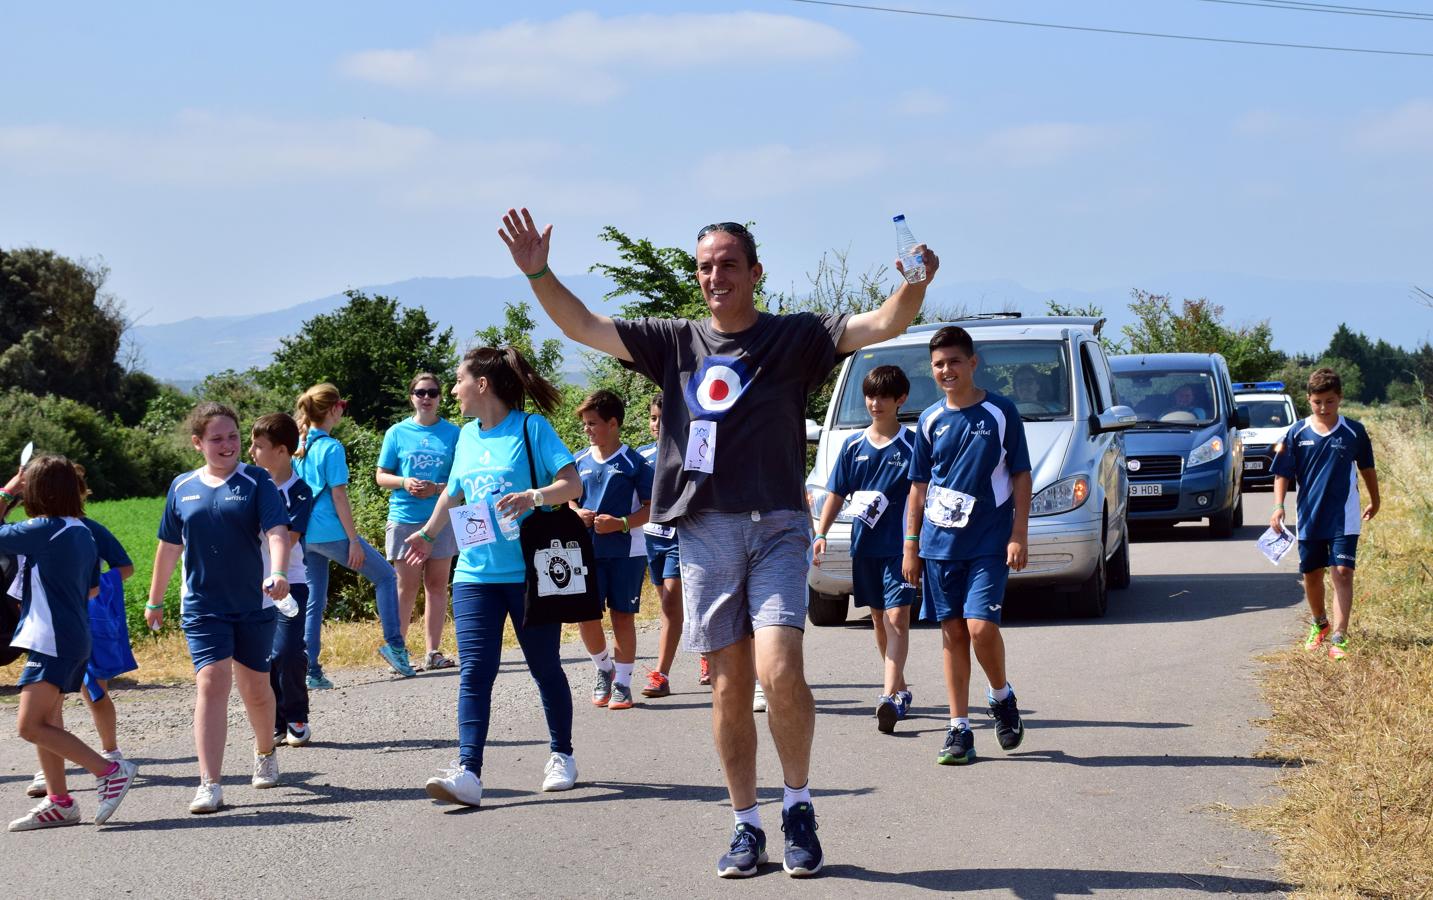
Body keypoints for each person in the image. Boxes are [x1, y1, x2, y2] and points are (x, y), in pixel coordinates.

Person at [499, 208, 937, 878]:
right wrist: (537, 270)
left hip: (778, 525)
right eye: (705, 265)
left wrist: (912, 283)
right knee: (729, 685)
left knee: (780, 669)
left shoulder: (795, 337)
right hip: (703, 530)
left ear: (755, 272)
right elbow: (580, 325)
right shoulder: (673, 342)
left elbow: (883, 323)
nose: (715, 275)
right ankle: (745, 825)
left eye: (728, 263)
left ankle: (796, 805)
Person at [403, 346, 584, 808]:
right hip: (474, 573)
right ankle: (468, 772)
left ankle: (561, 754)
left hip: (528, 574)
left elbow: (573, 484)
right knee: (475, 674)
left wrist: (535, 496)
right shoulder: (465, 436)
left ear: (481, 385)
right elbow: (454, 493)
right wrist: (427, 534)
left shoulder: (530, 428)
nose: (454, 390)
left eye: (459, 381)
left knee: (545, 668)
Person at [147, 402, 293, 813]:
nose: (227, 445)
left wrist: (278, 572)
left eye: (232, 436)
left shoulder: (256, 480)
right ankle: (209, 783)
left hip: (253, 602)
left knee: (257, 690)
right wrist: (154, 599)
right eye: (216, 438)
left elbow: (277, 532)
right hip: (202, 605)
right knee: (211, 683)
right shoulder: (182, 487)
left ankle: (265, 752)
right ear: (198, 443)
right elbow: (169, 546)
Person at [903, 326, 1032, 767]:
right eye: (939, 364)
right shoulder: (929, 420)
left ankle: (1001, 695)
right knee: (953, 633)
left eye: (954, 361)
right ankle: (959, 727)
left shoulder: (1000, 412)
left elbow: (1020, 474)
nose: (946, 370)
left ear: (973, 363)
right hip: (939, 545)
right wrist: (911, 546)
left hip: (989, 541)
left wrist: (1019, 534)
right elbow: (918, 488)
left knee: (979, 628)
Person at [2, 455, 138, 830]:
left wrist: (7, 490)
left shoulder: (45, 529)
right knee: (48, 718)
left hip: (53, 639)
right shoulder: (80, 529)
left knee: (30, 726)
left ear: (38, 491)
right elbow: (94, 587)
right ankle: (59, 802)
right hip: (68, 636)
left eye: (27, 486)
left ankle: (109, 770)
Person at [812, 365, 916, 734]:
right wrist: (820, 532)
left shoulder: (913, 444)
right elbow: (836, 493)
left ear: (900, 399)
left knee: (897, 619)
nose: (875, 403)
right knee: (877, 619)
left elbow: (926, 493)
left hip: (900, 548)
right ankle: (900, 689)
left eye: (884, 397)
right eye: (870, 396)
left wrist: (917, 543)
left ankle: (888, 695)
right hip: (864, 546)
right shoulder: (853, 445)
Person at [293, 383, 412, 684]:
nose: (343, 411)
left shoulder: (300, 447)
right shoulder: (332, 448)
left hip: (305, 534)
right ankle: (396, 647)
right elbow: (339, 497)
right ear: (333, 409)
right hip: (332, 532)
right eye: (342, 406)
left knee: (313, 602)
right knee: (386, 577)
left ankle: (311, 670)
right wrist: (354, 541)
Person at [1270, 367, 1379, 661]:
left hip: (1345, 517)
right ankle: (1320, 622)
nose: (1323, 408)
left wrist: (1375, 499)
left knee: (1342, 573)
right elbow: (1282, 474)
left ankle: (1340, 637)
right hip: (1309, 517)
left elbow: (1367, 469)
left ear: (1339, 399)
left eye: (1330, 401)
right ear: (1308, 400)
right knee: (1311, 575)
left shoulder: (1354, 430)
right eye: (1318, 402)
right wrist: (1278, 507)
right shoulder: (1296, 433)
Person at [571, 389, 653, 710]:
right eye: (585, 424)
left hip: (627, 553)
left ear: (613, 423)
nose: (587, 429)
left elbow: (652, 508)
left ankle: (623, 682)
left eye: (593, 423)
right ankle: (603, 668)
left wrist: (620, 523)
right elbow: (569, 498)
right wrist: (576, 512)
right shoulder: (578, 461)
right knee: (585, 616)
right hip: (587, 552)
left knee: (622, 617)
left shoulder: (636, 463)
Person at [376, 373, 462, 672]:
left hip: (442, 519)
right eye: (421, 392)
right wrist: (404, 481)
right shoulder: (397, 433)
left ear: (441, 397)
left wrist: (437, 489)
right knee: (405, 587)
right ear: (411, 396)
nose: (427, 397)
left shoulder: (454, 433)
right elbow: (381, 475)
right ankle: (398, 652)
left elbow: (461, 479)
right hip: (405, 518)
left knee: (437, 586)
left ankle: (433, 652)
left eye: (433, 392)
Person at [249, 413, 316, 747]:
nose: (250, 451)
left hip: (292, 583)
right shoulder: (248, 485)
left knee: (287, 651)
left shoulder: (300, 491)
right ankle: (275, 720)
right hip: (252, 586)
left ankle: (296, 714)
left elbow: (287, 540)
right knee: (264, 656)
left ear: (282, 450)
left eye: (258, 446)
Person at [636, 396, 693, 697]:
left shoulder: (691, 451)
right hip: (650, 539)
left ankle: (661, 675)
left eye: (663, 417)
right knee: (667, 607)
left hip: (680, 536)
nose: (657, 424)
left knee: (671, 604)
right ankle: (707, 655)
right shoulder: (641, 456)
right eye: (653, 418)